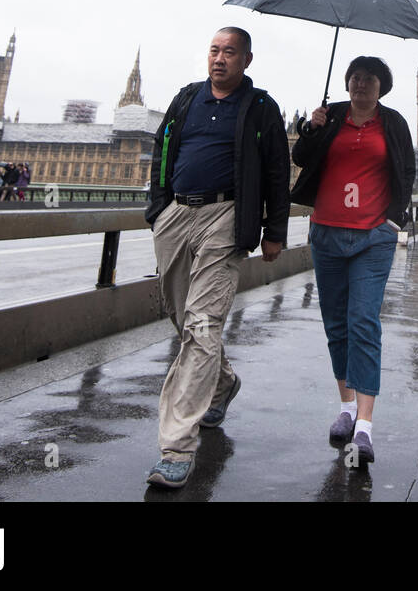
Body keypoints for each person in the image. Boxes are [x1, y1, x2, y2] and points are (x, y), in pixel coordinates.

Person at [143, 27, 291, 489]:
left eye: (230, 52)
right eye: (214, 50)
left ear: (247, 59)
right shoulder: (187, 98)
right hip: (176, 212)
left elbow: (276, 171)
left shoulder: (262, 107)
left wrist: (274, 232)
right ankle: (222, 382)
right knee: (180, 315)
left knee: (203, 323)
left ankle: (176, 446)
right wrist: (157, 206)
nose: (220, 58)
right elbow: (162, 148)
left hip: (226, 216)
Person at [291, 56, 415, 467]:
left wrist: (393, 220)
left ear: (383, 86)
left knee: (364, 321)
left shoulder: (393, 123)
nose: (361, 84)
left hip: (373, 236)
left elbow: (406, 170)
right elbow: (302, 158)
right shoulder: (331, 116)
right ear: (346, 84)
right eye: (355, 78)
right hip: (326, 231)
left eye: (369, 79)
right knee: (336, 323)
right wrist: (311, 127)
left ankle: (364, 426)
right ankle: (345, 406)